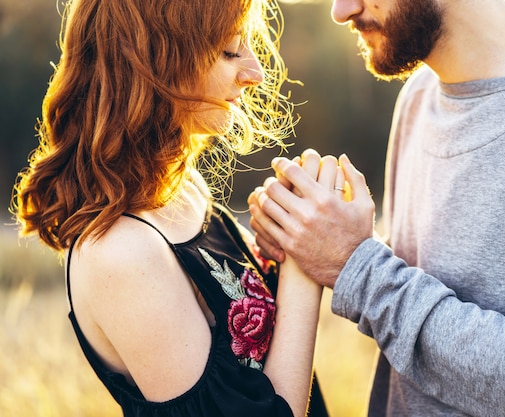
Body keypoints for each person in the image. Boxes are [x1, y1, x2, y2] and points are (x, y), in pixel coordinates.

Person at [247, 0, 505, 416]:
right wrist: (315, 239)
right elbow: (414, 285)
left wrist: (355, 265)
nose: (341, 11)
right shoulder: (419, 96)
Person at [10, 0, 330, 416]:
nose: (256, 73)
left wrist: (289, 241)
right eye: (230, 51)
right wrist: (306, 271)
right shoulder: (121, 252)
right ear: (155, 61)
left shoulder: (183, 188)